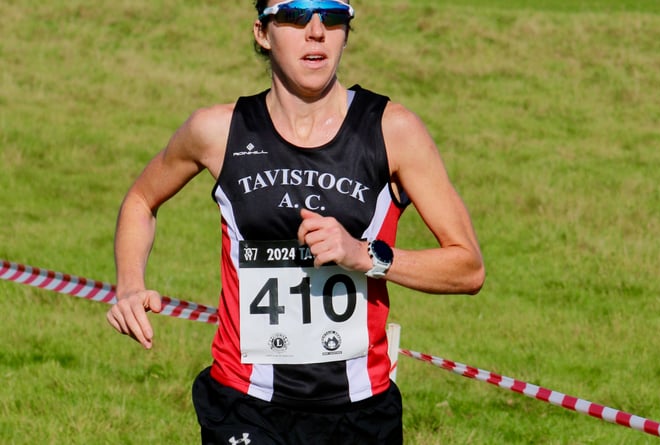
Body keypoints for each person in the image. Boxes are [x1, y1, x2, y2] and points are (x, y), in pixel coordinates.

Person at [106, 0, 485, 443]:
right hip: (244, 403)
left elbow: (468, 267)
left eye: (333, 15)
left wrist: (363, 255)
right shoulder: (217, 131)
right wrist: (130, 283)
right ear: (262, 33)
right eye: (295, 15)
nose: (317, 30)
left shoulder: (391, 130)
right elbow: (140, 200)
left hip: (359, 412)